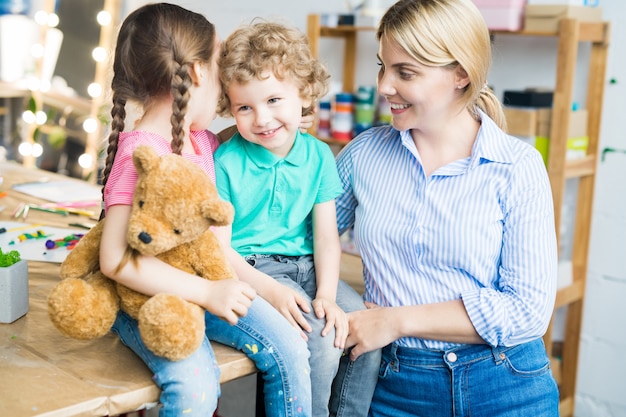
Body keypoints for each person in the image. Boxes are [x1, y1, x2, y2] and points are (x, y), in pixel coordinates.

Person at [337, 0, 560, 416]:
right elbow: (298, 240)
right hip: (394, 386)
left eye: (405, 72)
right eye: (382, 66)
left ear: (461, 74)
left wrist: (396, 320)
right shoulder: (363, 155)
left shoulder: (516, 167)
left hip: (505, 384)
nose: (385, 86)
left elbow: (527, 312)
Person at [98, 4, 312, 417]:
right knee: (196, 389)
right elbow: (115, 259)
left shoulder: (204, 144)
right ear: (197, 72)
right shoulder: (138, 153)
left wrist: (281, 118)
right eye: (219, 65)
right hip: (150, 300)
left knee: (289, 345)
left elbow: (215, 247)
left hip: (211, 286)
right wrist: (209, 293)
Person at [214, 21, 380, 417]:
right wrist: (269, 290)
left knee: (363, 329)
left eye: (274, 100)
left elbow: (325, 238)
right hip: (253, 271)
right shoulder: (224, 161)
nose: (262, 119)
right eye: (245, 107)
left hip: (307, 267)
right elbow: (220, 251)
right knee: (322, 339)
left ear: (303, 95)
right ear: (230, 108)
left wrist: (325, 293)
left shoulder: (319, 156)